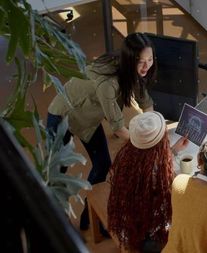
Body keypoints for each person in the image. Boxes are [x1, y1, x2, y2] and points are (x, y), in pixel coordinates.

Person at [46, 32, 157, 229]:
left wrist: (153, 126)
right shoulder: (108, 84)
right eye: (141, 61)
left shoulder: (131, 70)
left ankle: (90, 217)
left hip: (87, 118)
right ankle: (56, 224)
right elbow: (118, 128)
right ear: (129, 59)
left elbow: (146, 104)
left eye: (150, 59)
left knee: (103, 164)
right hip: (62, 115)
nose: (146, 66)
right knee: (56, 175)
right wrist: (147, 142)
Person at [108, 111, 188, 252]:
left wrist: (174, 150)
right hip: (146, 237)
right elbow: (171, 203)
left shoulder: (126, 155)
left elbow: (151, 162)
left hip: (128, 226)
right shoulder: (157, 174)